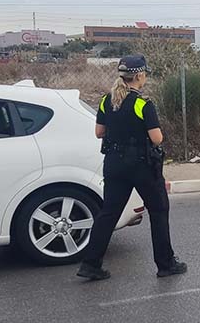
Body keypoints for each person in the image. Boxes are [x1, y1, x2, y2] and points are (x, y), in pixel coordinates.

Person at [77, 55, 187, 280]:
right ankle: (165, 264)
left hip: (114, 163)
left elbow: (99, 132)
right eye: (144, 73)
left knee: (108, 212)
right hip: (141, 166)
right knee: (158, 211)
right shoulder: (142, 103)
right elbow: (156, 138)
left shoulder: (107, 100)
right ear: (138, 75)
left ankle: (90, 264)